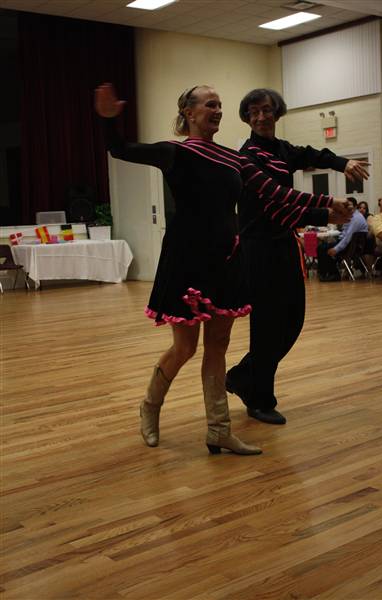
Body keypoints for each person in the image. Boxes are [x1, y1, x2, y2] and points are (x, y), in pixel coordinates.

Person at [94, 83, 350, 455]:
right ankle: (150, 406)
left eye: (219, 105)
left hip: (226, 259)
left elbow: (274, 193)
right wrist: (108, 121)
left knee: (218, 346)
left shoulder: (235, 159)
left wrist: (326, 206)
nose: (217, 110)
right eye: (210, 104)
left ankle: (219, 429)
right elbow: (120, 149)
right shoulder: (176, 152)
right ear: (189, 113)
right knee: (185, 348)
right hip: (186, 260)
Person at [226, 88, 369, 425]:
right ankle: (260, 398)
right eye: (254, 112)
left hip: (283, 244)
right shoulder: (247, 157)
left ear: (277, 113)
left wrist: (343, 163)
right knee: (266, 325)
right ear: (246, 118)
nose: (261, 117)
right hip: (258, 249)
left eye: (267, 110)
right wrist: (326, 208)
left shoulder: (283, 150)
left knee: (292, 320)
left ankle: (243, 376)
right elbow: (277, 198)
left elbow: (313, 154)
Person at [317, 197, 368, 280]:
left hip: (351, 247)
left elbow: (348, 237)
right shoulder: (351, 215)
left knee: (323, 248)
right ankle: (325, 273)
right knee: (322, 246)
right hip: (350, 244)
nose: (347, 207)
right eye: (346, 205)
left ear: (355, 207)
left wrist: (336, 249)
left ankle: (333, 274)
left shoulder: (355, 218)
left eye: (350, 206)